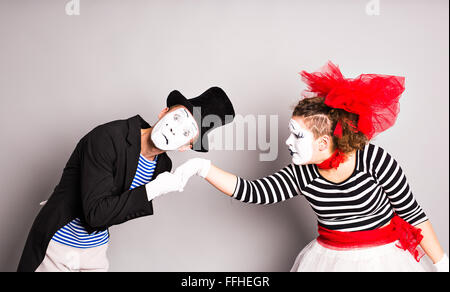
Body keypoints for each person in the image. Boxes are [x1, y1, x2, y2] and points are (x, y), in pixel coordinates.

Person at [174, 62, 449, 272]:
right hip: (329, 259)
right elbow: (255, 192)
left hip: (381, 261)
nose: (287, 141)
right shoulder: (302, 172)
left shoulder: (375, 160)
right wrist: (202, 167)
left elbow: (414, 216)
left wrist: (442, 266)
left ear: (324, 142)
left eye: (297, 135)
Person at [17, 87, 235, 272]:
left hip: (95, 250)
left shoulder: (163, 166)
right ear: (163, 112)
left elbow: (117, 211)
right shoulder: (107, 138)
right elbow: (96, 214)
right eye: (177, 117)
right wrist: (152, 190)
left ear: (185, 147)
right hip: (58, 245)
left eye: (187, 132)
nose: (174, 128)